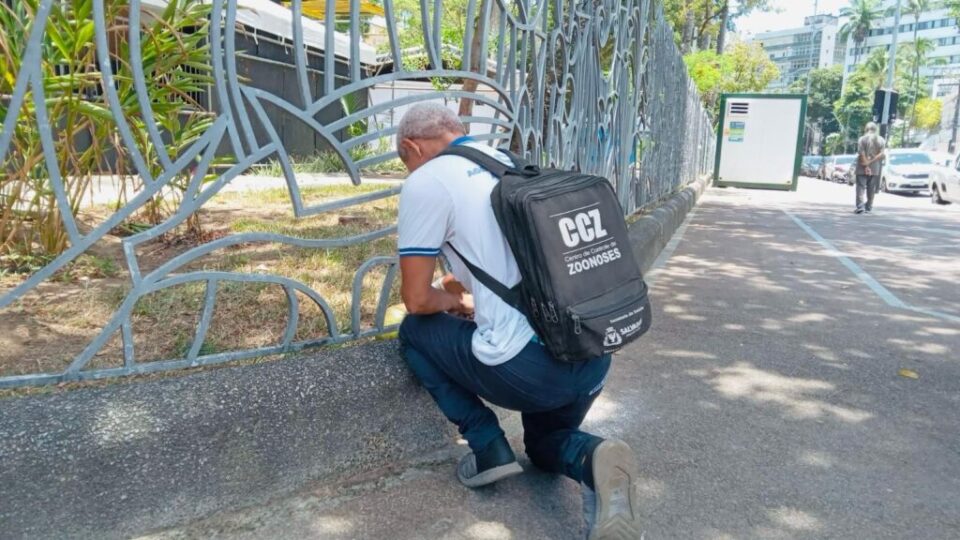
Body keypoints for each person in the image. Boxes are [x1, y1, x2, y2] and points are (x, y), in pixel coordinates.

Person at [395, 102, 642, 539]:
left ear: (413, 147)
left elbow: (416, 300)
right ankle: (594, 457)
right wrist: (462, 295)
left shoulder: (427, 181)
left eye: (405, 161)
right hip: (592, 350)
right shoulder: (512, 166)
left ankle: (487, 444)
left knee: (414, 332)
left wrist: (452, 303)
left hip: (526, 372)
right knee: (544, 447)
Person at [855, 122, 886, 214]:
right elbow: (881, 154)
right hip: (875, 168)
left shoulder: (862, 139)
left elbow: (862, 154)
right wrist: (871, 162)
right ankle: (868, 206)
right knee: (871, 188)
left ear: (866, 129)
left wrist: (866, 165)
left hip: (861, 167)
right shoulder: (881, 140)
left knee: (860, 187)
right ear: (876, 129)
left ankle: (860, 206)